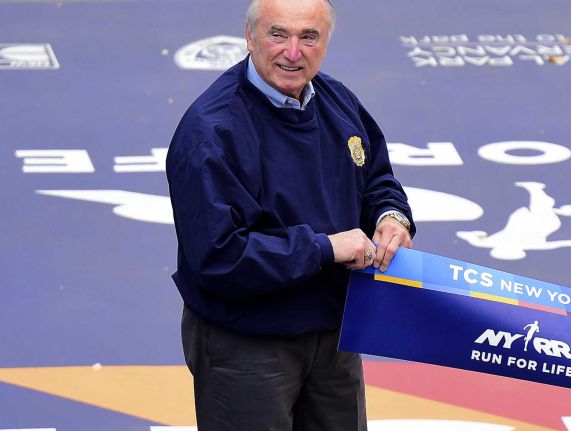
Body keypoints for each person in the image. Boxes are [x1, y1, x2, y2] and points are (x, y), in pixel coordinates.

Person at [165, 0, 415, 429]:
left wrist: (391, 216)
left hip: (333, 336)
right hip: (248, 345)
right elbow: (220, 256)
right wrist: (324, 248)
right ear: (250, 37)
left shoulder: (337, 101)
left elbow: (376, 178)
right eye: (278, 34)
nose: (293, 52)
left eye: (309, 37)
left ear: (327, 42)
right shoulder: (211, 132)